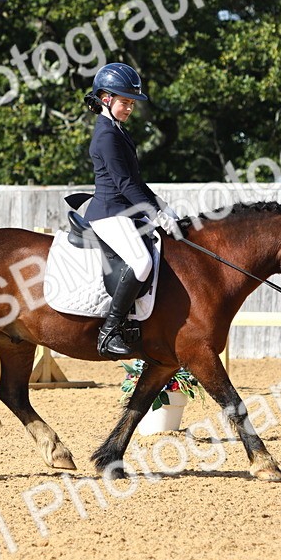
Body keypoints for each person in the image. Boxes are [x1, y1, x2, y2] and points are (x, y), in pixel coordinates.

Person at [82, 62, 183, 359]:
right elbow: (124, 184)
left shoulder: (118, 131)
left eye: (131, 103)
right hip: (108, 213)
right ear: (105, 99)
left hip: (123, 211)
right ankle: (109, 330)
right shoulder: (106, 135)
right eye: (124, 102)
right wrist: (154, 213)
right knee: (141, 262)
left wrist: (162, 206)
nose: (129, 108)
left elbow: (136, 181)